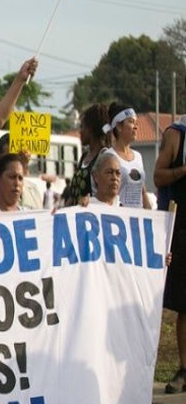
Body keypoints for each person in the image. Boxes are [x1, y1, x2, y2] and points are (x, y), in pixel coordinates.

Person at [156, 115, 186, 393]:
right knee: (184, 305)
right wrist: (183, 170)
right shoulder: (177, 135)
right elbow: (158, 175)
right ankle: (184, 369)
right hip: (183, 231)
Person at [60, 104, 109, 207]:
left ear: (90, 129)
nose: (80, 131)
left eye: (82, 127)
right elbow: (74, 195)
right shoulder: (84, 157)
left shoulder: (105, 157)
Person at [104, 103, 150, 209]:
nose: (136, 127)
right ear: (119, 126)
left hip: (138, 218)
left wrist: (150, 214)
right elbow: (104, 193)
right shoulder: (109, 156)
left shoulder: (138, 156)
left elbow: (142, 191)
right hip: (120, 217)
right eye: (131, 122)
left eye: (136, 123)